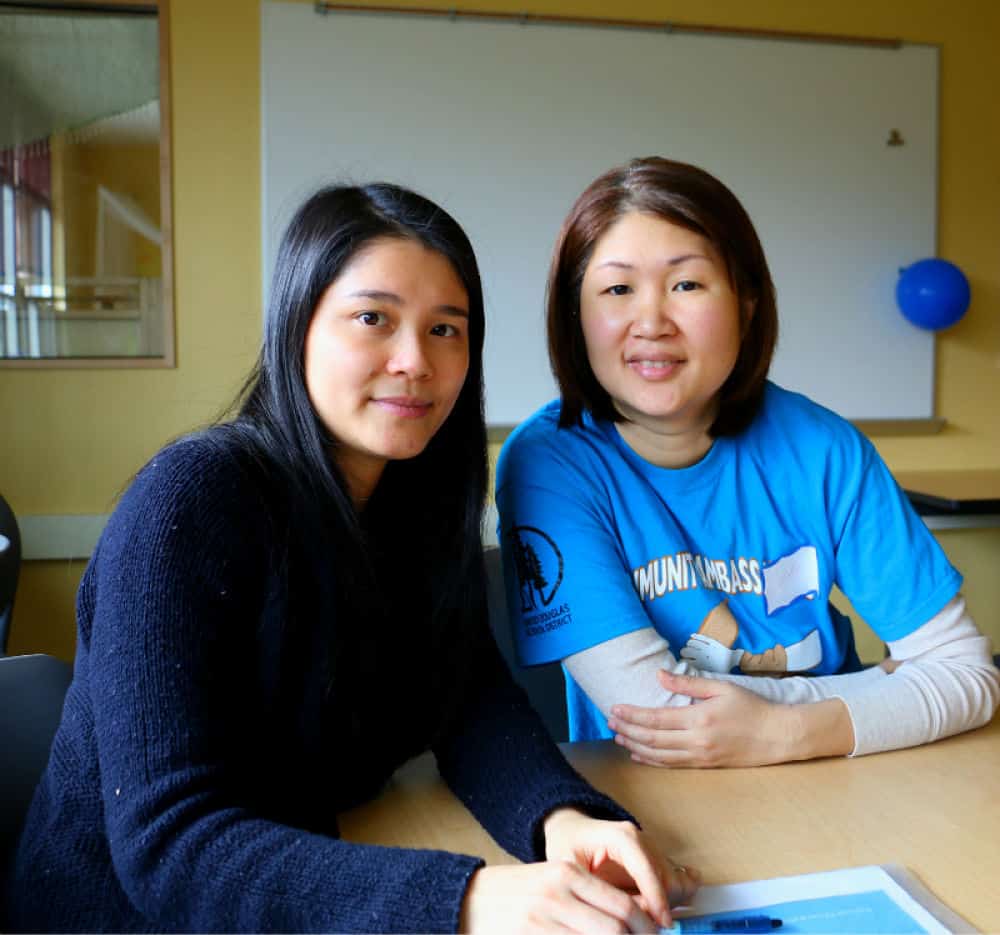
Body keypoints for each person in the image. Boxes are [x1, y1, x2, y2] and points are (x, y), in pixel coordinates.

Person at [5, 183, 700, 933]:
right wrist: (467, 899)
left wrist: (562, 819)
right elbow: (171, 843)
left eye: (446, 329)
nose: (415, 360)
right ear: (297, 326)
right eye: (374, 318)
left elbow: (470, 705)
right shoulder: (191, 501)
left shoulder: (416, 505)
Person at [495, 157, 1000, 767]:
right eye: (617, 289)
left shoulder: (822, 448)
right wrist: (880, 690)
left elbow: (968, 676)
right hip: (655, 797)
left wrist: (785, 732)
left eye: (686, 285)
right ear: (576, 316)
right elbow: (660, 719)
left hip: (836, 778)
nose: (651, 322)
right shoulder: (550, 462)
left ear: (748, 301)